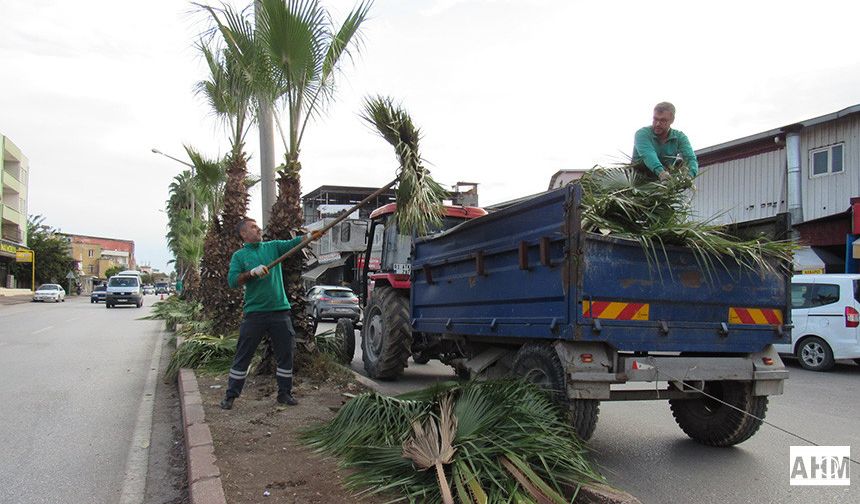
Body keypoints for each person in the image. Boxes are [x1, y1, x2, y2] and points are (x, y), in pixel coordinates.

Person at [220, 217, 324, 410]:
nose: (258, 229)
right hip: (255, 314)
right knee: (243, 355)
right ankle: (230, 395)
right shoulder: (239, 256)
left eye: (257, 226)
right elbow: (233, 281)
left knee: (286, 354)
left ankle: (284, 394)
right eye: (253, 227)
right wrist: (251, 273)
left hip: (280, 312)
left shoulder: (272, 247)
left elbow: (294, 243)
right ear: (244, 234)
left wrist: (310, 236)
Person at [632, 102, 698, 180]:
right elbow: (648, 155)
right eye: (655, 119)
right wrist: (661, 173)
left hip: (663, 183)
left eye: (663, 120)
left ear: (672, 120)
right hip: (639, 180)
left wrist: (689, 176)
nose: (657, 124)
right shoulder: (642, 134)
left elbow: (690, 159)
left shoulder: (680, 137)